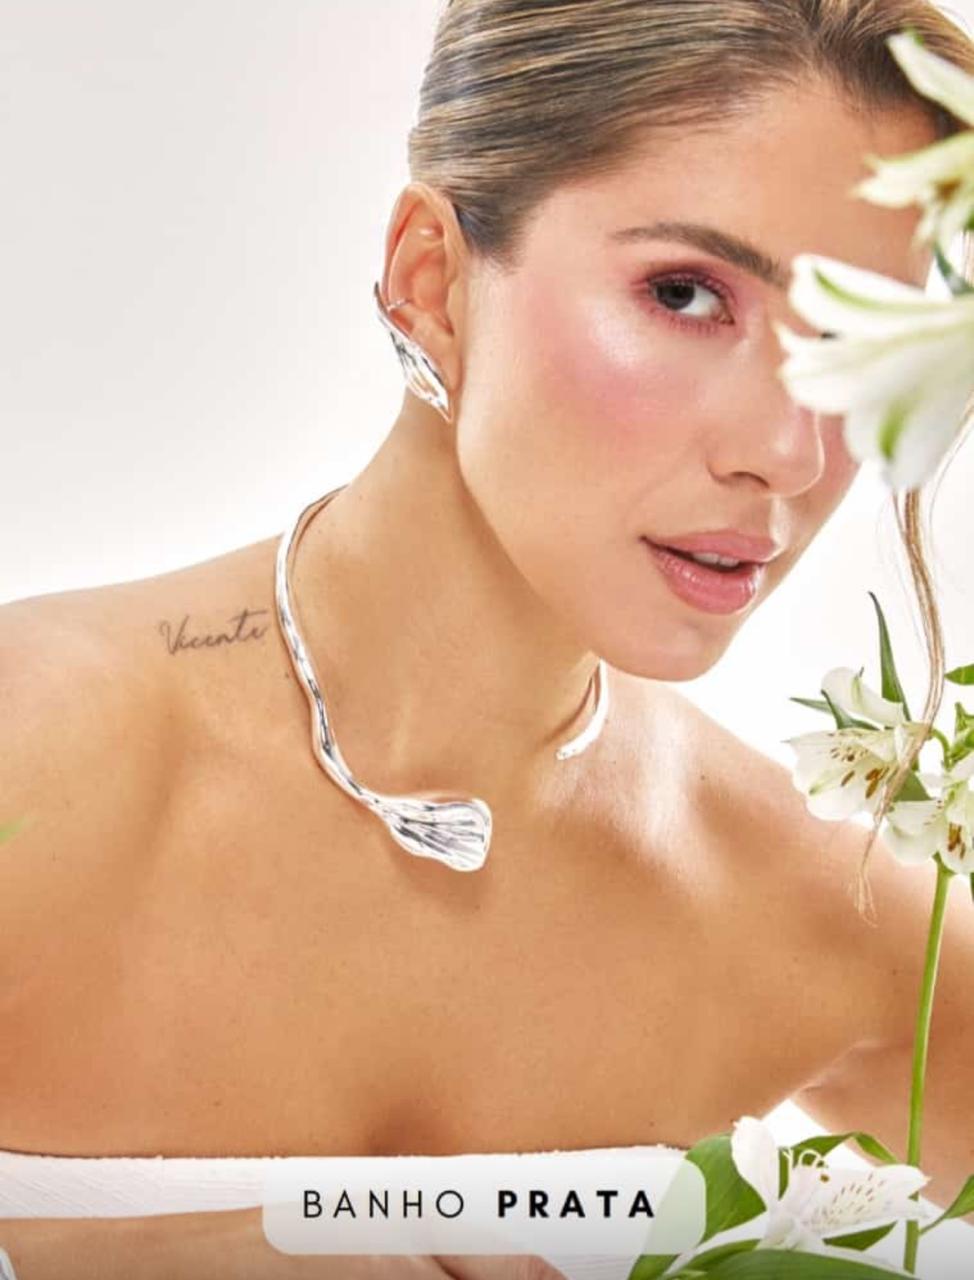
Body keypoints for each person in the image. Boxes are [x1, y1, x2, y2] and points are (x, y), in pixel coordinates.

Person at [2, 1, 974, 1277]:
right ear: (430, 279)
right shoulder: (33, 749)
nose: (786, 452)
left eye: (857, 347)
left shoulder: (834, 918)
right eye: (686, 294)